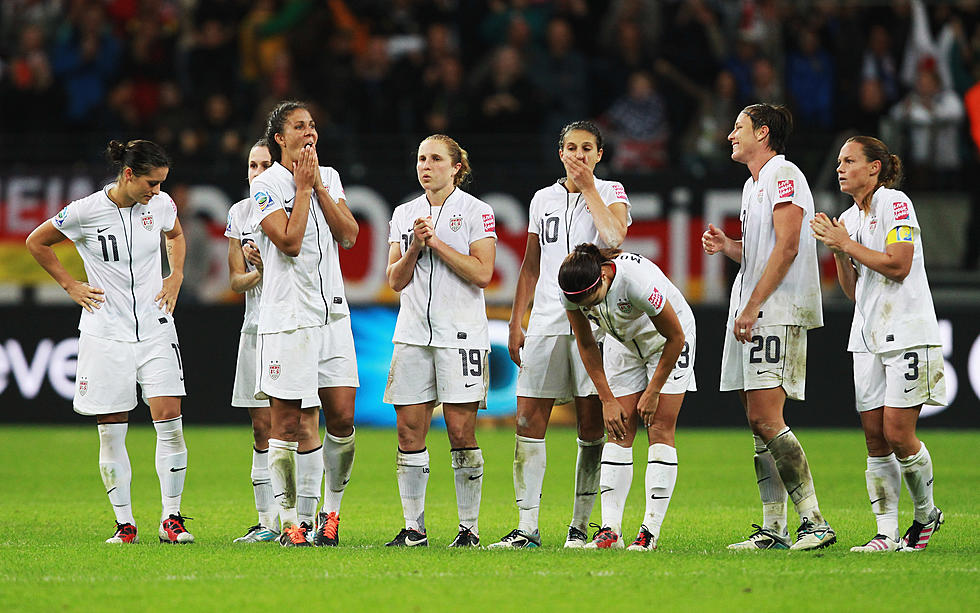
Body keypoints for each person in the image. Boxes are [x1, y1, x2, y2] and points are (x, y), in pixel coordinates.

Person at [26, 139, 193, 545]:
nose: (157, 192)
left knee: (170, 423)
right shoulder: (86, 211)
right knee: (111, 431)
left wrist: (176, 276)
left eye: (161, 184)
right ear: (129, 174)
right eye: (151, 183)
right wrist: (70, 285)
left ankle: (171, 520)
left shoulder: (161, 205)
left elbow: (176, 235)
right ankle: (125, 524)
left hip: (155, 328)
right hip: (106, 332)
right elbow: (37, 242)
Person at [489, 120, 630, 550]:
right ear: (560, 152)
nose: (578, 155)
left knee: (590, 426)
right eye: (571, 147)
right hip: (548, 320)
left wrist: (589, 188)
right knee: (528, 420)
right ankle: (526, 528)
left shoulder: (611, 193)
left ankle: (579, 527)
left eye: (587, 148)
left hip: (595, 320)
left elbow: (614, 240)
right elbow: (530, 264)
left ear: (599, 155)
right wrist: (517, 320)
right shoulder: (541, 199)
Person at [701, 103, 834, 551]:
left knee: (765, 416)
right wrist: (731, 247)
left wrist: (753, 305)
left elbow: (790, 245)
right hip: (753, 307)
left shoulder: (785, 175)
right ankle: (773, 528)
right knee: (757, 422)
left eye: (738, 128)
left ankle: (814, 521)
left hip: (774, 310)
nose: (730, 136)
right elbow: (763, 251)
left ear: (762, 133)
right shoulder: (753, 185)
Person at [811, 136, 945, 552]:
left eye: (849, 161)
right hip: (867, 335)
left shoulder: (895, 203)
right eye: (838, 161)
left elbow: (899, 265)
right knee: (874, 437)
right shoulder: (849, 219)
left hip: (906, 330)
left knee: (899, 433)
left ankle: (925, 514)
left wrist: (845, 244)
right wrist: (837, 250)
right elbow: (853, 291)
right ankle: (885, 533)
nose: (840, 168)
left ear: (874, 168)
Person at [248, 101, 359, 547]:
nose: (309, 132)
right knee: (287, 423)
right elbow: (290, 243)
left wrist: (319, 186)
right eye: (299, 126)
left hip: (333, 312)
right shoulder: (265, 185)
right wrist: (303, 189)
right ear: (280, 139)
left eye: (312, 125)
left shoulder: (329, 176)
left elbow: (349, 234)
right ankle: (291, 522)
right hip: (288, 317)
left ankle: (329, 515)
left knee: (343, 417)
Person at [383, 134, 496, 548]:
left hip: (461, 335)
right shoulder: (402, 214)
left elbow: (483, 273)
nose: (425, 166)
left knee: (460, 431)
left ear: (456, 167)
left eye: (434, 159)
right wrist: (414, 244)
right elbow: (394, 280)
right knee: (408, 432)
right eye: (420, 159)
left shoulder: (477, 212)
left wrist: (437, 243)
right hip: (412, 335)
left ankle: (469, 530)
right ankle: (414, 529)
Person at [558, 245, 695, 551]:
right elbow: (586, 343)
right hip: (622, 342)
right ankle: (610, 531)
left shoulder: (635, 282)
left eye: (593, 301)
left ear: (604, 276)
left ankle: (649, 533)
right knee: (618, 429)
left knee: (659, 428)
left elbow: (676, 337)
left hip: (667, 341)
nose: (588, 307)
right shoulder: (571, 291)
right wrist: (606, 398)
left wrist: (653, 390)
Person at [225, 138, 321, 543]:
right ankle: (266, 522)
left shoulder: (293, 202)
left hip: (294, 324)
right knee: (261, 428)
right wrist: (260, 274)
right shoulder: (240, 213)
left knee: (299, 423)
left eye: (264, 164)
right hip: (254, 328)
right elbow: (234, 280)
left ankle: (304, 519)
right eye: (251, 165)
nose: (257, 172)